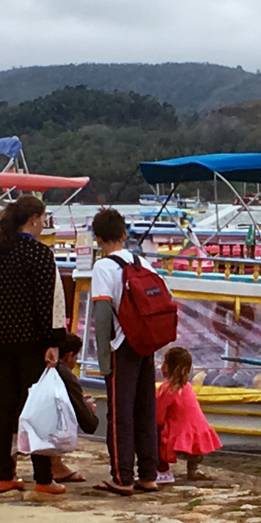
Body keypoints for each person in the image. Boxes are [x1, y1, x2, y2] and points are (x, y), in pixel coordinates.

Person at [0, 195, 65, 495]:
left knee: (4, 408)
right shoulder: (39, 254)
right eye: (43, 218)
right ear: (34, 219)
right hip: (30, 341)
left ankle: (4, 474)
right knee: (36, 407)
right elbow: (47, 303)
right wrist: (54, 342)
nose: (44, 223)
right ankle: (43, 478)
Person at [89, 206, 157, 495]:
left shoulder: (104, 267)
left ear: (98, 238)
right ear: (124, 233)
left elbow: (103, 314)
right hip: (145, 342)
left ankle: (122, 476)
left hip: (120, 345)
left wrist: (103, 356)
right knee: (145, 409)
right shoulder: (143, 263)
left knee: (120, 413)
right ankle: (149, 474)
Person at [155, 345, 221, 482]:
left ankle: (162, 470)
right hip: (198, 430)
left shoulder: (166, 389)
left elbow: (158, 417)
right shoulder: (188, 387)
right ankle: (193, 470)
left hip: (179, 434)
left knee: (155, 432)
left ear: (168, 366)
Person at [51, 329, 101, 479]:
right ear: (69, 355)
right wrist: (87, 409)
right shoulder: (64, 374)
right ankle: (55, 465)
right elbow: (89, 424)